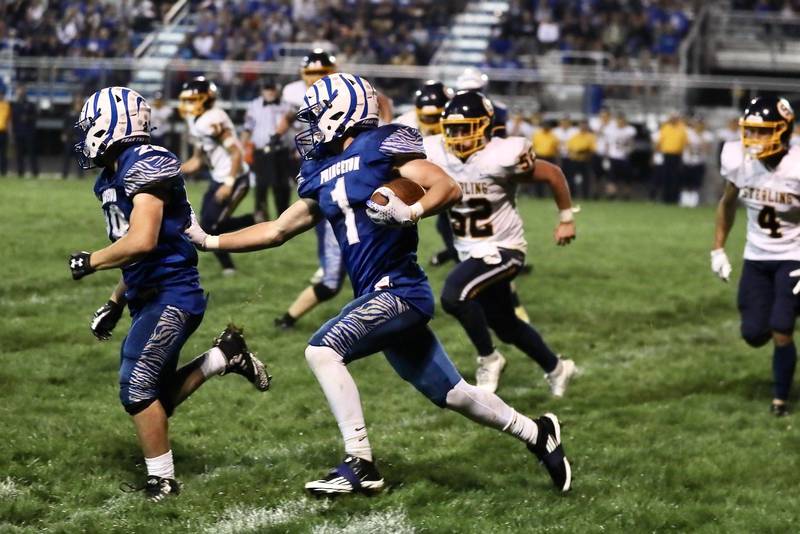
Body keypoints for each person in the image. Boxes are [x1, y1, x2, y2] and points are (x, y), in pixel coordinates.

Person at [186, 73, 572, 494]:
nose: (310, 127)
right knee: (456, 394)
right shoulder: (319, 170)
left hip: (400, 290)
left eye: (316, 117)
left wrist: (413, 210)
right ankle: (538, 434)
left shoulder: (381, 144)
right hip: (377, 294)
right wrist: (210, 239)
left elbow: (445, 185)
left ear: (341, 113)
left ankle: (361, 462)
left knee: (322, 349)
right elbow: (278, 228)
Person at [67, 86, 271, 501]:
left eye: (91, 126)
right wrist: (115, 300)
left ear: (111, 124)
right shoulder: (113, 173)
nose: (86, 134)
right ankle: (224, 356)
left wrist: (91, 261)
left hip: (171, 294)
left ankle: (163, 482)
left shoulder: (146, 163)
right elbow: (141, 250)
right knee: (155, 399)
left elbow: (142, 240)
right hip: (149, 292)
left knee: (136, 387)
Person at [424, 91, 578, 395]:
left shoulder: (501, 155)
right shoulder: (436, 153)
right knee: (505, 324)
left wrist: (566, 219)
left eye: (465, 128)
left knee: (454, 296)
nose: (457, 136)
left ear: (484, 126)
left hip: (504, 247)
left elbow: (554, 174)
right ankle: (558, 368)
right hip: (470, 250)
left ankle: (488, 358)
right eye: (452, 129)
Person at [711, 96, 800, 416]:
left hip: (794, 256)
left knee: (780, 327)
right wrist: (718, 248)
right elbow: (727, 202)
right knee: (753, 333)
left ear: (784, 131)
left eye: (763, 132)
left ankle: (780, 398)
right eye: (750, 131)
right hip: (757, 257)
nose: (753, 139)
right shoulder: (738, 160)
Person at [178, 76, 255, 276]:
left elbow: (236, 153)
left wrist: (229, 183)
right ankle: (253, 219)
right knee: (208, 225)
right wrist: (171, 170)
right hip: (218, 177)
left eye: (193, 100)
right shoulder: (196, 120)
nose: (188, 105)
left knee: (211, 227)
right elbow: (197, 160)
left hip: (234, 178)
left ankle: (229, 266)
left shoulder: (212, 118)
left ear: (207, 99)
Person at [395, 80, 457, 267]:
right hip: (420, 176)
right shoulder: (404, 123)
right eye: (426, 117)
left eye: (436, 117)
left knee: (454, 224)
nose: (430, 123)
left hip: (457, 178)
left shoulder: (459, 123)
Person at [241, 77, 291, 222]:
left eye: (272, 89)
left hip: (281, 151)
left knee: (281, 186)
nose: (269, 92)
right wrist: (242, 147)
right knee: (261, 185)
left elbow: (294, 128)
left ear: (277, 90)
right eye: (267, 89)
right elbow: (247, 127)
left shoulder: (287, 106)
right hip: (261, 151)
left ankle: (284, 218)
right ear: (262, 90)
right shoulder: (254, 105)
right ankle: (260, 217)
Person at [680, 117, 713, 208]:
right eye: (697, 124)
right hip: (688, 161)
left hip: (699, 161)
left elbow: (707, 149)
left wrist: (700, 136)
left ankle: (693, 202)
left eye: (701, 124)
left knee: (696, 183)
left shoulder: (707, 135)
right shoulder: (689, 133)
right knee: (686, 182)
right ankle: (684, 201)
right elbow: (686, 145)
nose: (699, 126)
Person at [655, 112, 687, 203]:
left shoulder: (682, 128)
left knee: (675, 177)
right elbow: (660, 141)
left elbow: (685, 142)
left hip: (677, 155)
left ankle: (674, 198)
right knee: (666, 176)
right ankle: (666, 198)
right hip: (667, 155)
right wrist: (655, 154)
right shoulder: (665, 127)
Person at [604, 112, 637, 199]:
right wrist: (606, 157)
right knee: (611, 178)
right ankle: (611, 195)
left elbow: (632, 144)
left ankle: (626, 196)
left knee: (627, 178)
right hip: (613, 156)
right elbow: (607, 144)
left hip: (624, 157)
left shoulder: (629, 130)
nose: (620, 122)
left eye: (622, 120)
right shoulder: (610, 130)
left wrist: (629, 150)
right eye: (619, 120)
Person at [11, 85, 39, 178]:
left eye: (22, 90)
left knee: (32, 153)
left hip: (28, 133)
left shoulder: (30, 104)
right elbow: (13, 120)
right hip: (18, 133)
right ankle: (20, 172)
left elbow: (35, 117)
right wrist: (13, 132)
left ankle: (34, 172)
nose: (20, 92)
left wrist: (28, 118)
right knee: (19, 154)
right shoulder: (14, 105)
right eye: (19, 90)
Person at [564, 120, 596, 199]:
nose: (583, 127)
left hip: (585, 160)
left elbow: (592, 149)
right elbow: (569, 148)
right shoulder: (574, 136)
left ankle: (585, 195)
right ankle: (572, 194)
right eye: (582, 125)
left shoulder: (591, 137)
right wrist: (576, 152)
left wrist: (582, 151)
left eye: (584, 125)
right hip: (574, 160)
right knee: (571, 178)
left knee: (586, 179)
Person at [0, 89, 9, 177]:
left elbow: (9, 119)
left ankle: (3, 171)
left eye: (1, 94)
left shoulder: (6, 105)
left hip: (3, 131)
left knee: (3, 153)